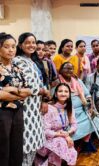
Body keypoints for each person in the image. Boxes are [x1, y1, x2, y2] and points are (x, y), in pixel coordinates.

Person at [14, 32, 49, 166]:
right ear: (21, 45)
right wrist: (44, 92)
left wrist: (44, 97)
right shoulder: (18, 60)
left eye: (33, 42)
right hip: (26, 109)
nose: (31, 45)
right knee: (25, 145)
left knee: (33, 145)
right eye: (27, 42)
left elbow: (41, 82)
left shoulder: (32, 61)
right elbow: (30, 86)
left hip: (35, 109)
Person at [0, 33, 31, 166]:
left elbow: (28, 91)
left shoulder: (17, 69)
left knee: (16, 146)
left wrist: (11, 90)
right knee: (3, 146)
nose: (11, 50)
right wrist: (19, 93)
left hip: (18, 111)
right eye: (7, 47)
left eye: (13, 46)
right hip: (2, 112)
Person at [57, 62, 97, 152]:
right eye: (66, 68)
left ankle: (84, 142)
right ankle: (76, 143)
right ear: (61, 70)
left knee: (94, 119)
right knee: (74, 126)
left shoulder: (77, 80)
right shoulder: (57, 81)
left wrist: (90, 104)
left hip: (82, 110)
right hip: (67, 111)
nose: (69, 70)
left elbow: (87, 94)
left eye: (71, 68)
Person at [36, 83, 77, 166]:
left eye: (66, 91)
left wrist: (68, 133)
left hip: (62, 137)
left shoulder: (69, 108)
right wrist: (62, 135)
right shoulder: (49, 108)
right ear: (55, 94)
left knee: (63, 143)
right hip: (46, 140)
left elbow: (74, 125)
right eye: (60, 91)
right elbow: (45, 131)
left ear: (69, 95)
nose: (63, 93)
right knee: (60, 142)